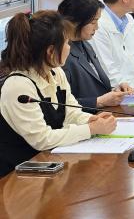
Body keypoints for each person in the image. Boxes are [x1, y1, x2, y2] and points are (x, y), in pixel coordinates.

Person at [0, 11, 117, 176]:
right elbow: (42, 139)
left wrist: (91, 120)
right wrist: (90, 129)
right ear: (50, 51)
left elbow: (71, 111)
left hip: (50, 164)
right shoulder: (18, 86)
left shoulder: (55, 72)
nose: (69, 48)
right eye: (67, 43)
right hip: (19, 176)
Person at [58, 0, 134, 112]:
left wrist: (116, 91)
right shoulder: (62, 55)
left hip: (103, 113)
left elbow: (98, 86)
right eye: (93, 22)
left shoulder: (86, 44)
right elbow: (61, 104)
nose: (97, 27)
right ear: (75, 22)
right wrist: (99, 102)